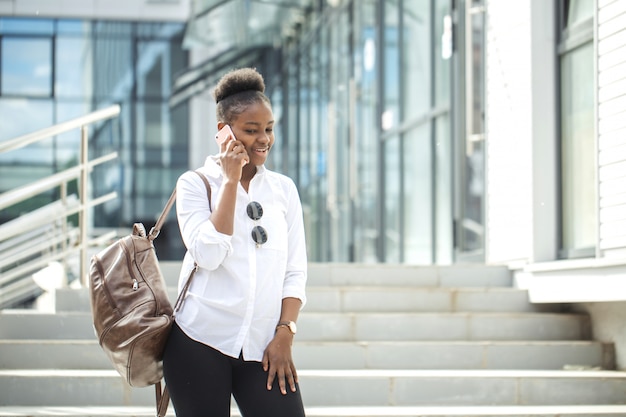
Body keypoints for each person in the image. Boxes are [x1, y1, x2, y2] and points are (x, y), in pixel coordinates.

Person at [163, 67, 308, 417]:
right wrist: (230, 183)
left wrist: (285, 333)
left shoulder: (283, 190)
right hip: (199, 342)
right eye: (251, 130)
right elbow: (209, 254)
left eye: (269, 129)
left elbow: (295, 271)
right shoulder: (194, 184)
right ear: (223, 132)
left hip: (265, 347)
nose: (264, 139)